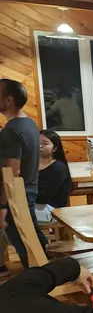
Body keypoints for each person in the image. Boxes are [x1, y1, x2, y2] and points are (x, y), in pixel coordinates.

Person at [0, 79, 49, 268]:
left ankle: (41, 277)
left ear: (9, 100)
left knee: (25, 244)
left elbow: (12, 172)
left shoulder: (11, 131)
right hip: (28, 189)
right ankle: (51, 270)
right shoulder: (29, 123)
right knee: (32, 237)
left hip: (16, 195)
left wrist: (2, 206)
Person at [36, 129, 72, 223]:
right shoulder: (32, 165)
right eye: (37, 142)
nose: (40, 146)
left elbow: (42, 197)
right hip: (35, 205)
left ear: (54, 148)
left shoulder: (58, 168)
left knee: (13, 214)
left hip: (52, 209)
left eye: (45, 143)